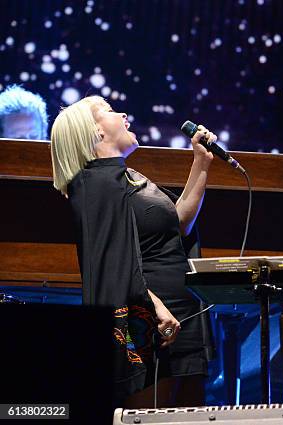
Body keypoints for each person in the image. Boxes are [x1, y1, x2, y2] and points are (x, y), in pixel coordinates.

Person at [50, 95, 213, 408]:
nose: (123, 113)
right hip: (147, 322)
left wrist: (201, 163)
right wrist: (155, 307)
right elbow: (110, 263)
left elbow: (178, 225)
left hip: (181, 314)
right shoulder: (93, 184)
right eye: (110, 111)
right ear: (95, 132)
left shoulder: (127, 177)